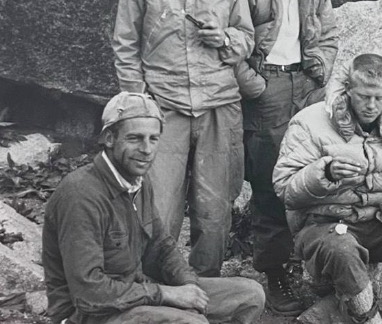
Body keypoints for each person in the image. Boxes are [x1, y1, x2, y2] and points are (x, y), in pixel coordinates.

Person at [112, 0, 254, 276]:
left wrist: (224, 37)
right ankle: (159, 287)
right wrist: (139, 106)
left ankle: (204, 289)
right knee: (158, 206)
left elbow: (247, 37)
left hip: (219, 105)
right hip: (164, 106)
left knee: (214, 210)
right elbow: (125, 43)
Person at [42, 92, 265, 324]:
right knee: (191, 323)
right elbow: (89, 294)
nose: (147, 149)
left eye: (154, 138)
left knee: (249, 295)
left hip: (138, 292)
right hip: (92, 314)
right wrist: (167, 294)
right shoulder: (81, 195)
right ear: (109, 138)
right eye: (135, 138)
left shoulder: (137, 180)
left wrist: (188, 285)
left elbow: (161, 246)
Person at [273, 54, 382, 324]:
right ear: (348, 90)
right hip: (323, 226)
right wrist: (325, 172)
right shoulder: (309, 122)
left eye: (379, 98)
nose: (371, 106)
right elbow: (284, 188)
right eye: (364, 96)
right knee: (342, 249)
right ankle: (369, 319)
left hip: (378, 222)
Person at [235, 0, 338, 314]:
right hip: (269, 87)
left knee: (317, 170)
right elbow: (232, 41)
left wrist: (322, 67)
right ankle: (276, 274)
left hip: (306, 84)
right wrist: (255, 86)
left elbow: (328, 34)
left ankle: (317, 264)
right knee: (270, 183)